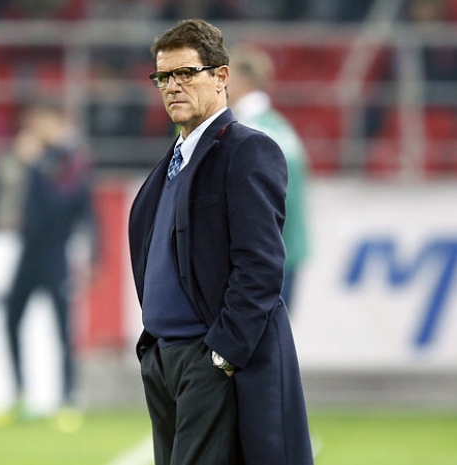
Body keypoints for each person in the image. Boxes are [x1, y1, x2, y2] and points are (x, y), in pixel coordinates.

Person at [128, 19, 312, 465]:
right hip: (166, 361)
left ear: (221, 76)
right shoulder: (172, 161)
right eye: (163, 77)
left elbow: (261, 266)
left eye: (185, 73)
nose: (172, 86)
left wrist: (222, 356)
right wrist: (154, 352)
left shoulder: (248, 150)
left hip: (206, 360)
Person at [0, 100, 98, 432]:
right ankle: (20, 395)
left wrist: (96, 254)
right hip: (30, 251)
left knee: (62, 328)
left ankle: (68, 399)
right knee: (11, 317)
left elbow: (63, 204)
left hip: (56, 252)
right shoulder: (44, 156)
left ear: (53, 121)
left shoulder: (73, 158)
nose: (33, 130)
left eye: (37, 122)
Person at [228, 44, 310, 311]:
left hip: (261, 257)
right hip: (284, 252)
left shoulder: (247, 132)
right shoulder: (280, 127)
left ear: (243, 81)